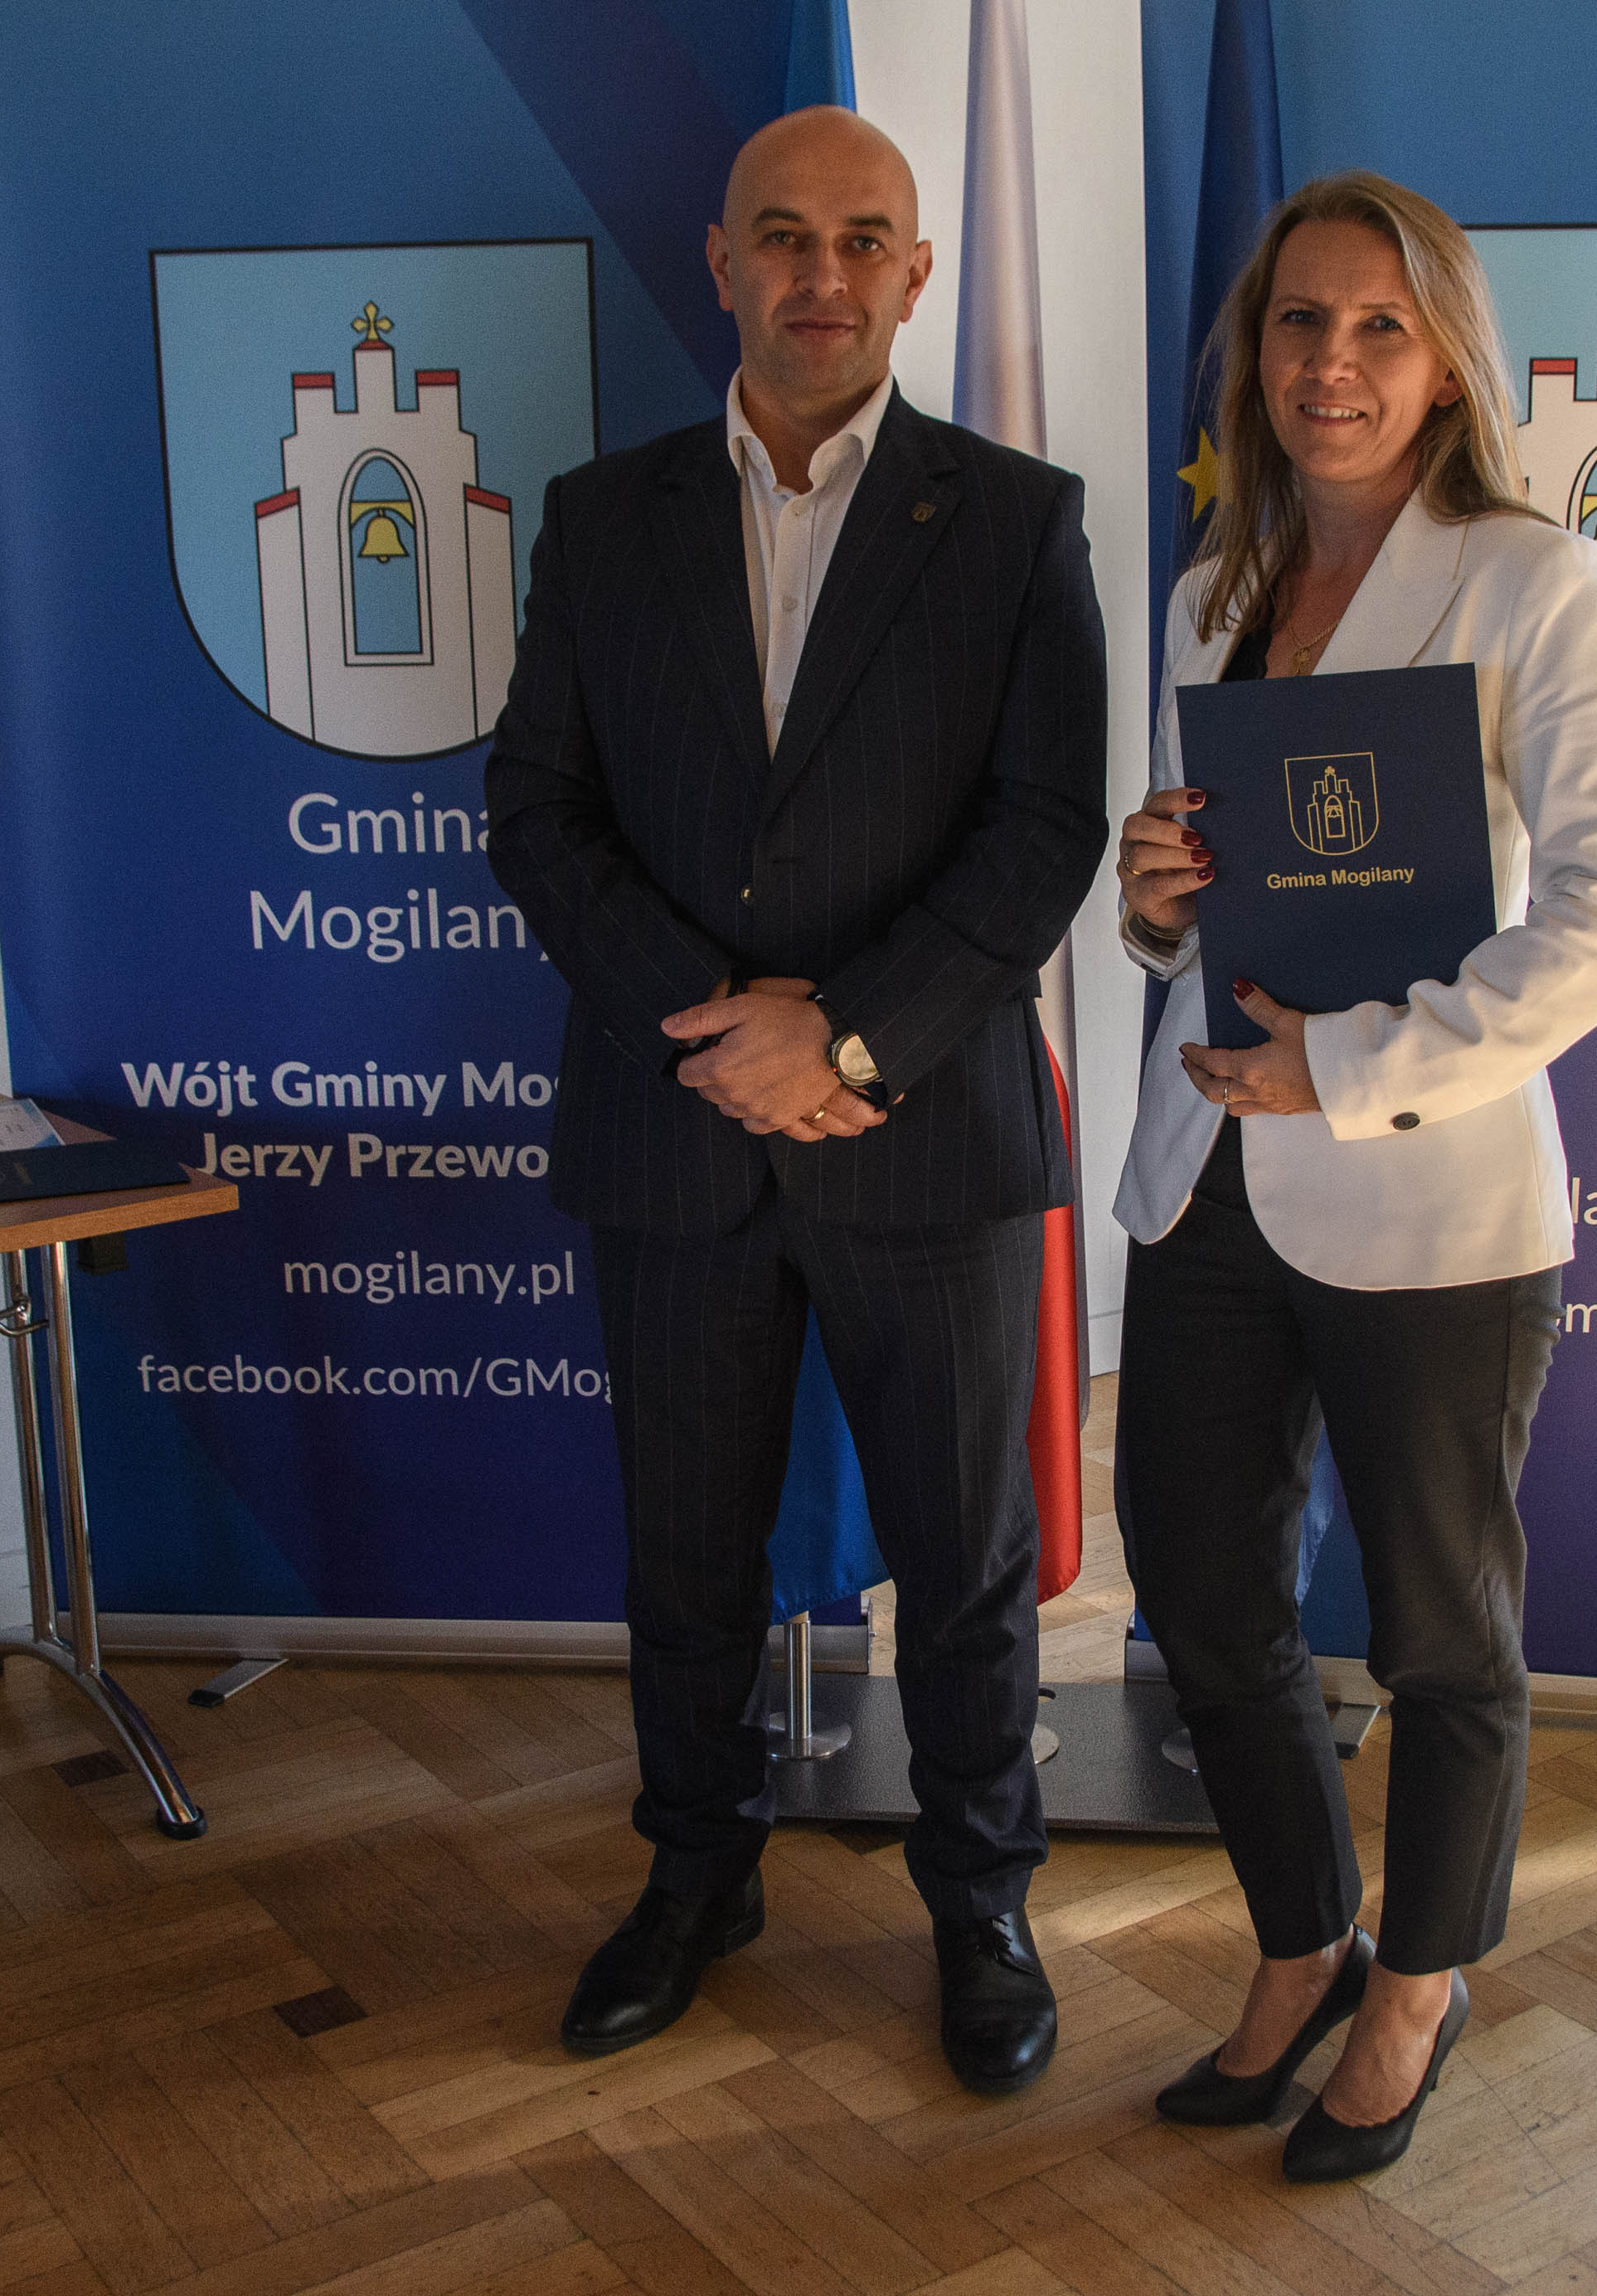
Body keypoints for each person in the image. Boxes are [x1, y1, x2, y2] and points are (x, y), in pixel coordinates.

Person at [485, 106, 1109, 2096]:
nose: (820, 274)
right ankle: (697, 1876)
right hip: (674, 1132)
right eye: (782, 235)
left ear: (915, 273)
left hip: (922, 1136)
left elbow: (1045, 834)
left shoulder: (1016, 522)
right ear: (722, 260)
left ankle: (982, 1904)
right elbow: (538, 812)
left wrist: (839, 1040)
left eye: (860, 238)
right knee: (686, 1555)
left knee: (967, 1564)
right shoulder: (603, 520)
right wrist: (721, 1032)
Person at [1112, 172, 1597, 2181]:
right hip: (1207, 1172)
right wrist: (1152, 900)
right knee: (1202, 1598)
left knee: (1440, 1634)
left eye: (1376, 326)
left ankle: (1419, 1987)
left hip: (1429, 1196)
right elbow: (1197, 911)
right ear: (1252, 355)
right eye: (1296, 322)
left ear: (1445, 365)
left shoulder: (1539, 582)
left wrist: (1347, 1067)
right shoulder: (1212, 594)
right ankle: (1301, 1943)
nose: (1328, 364)